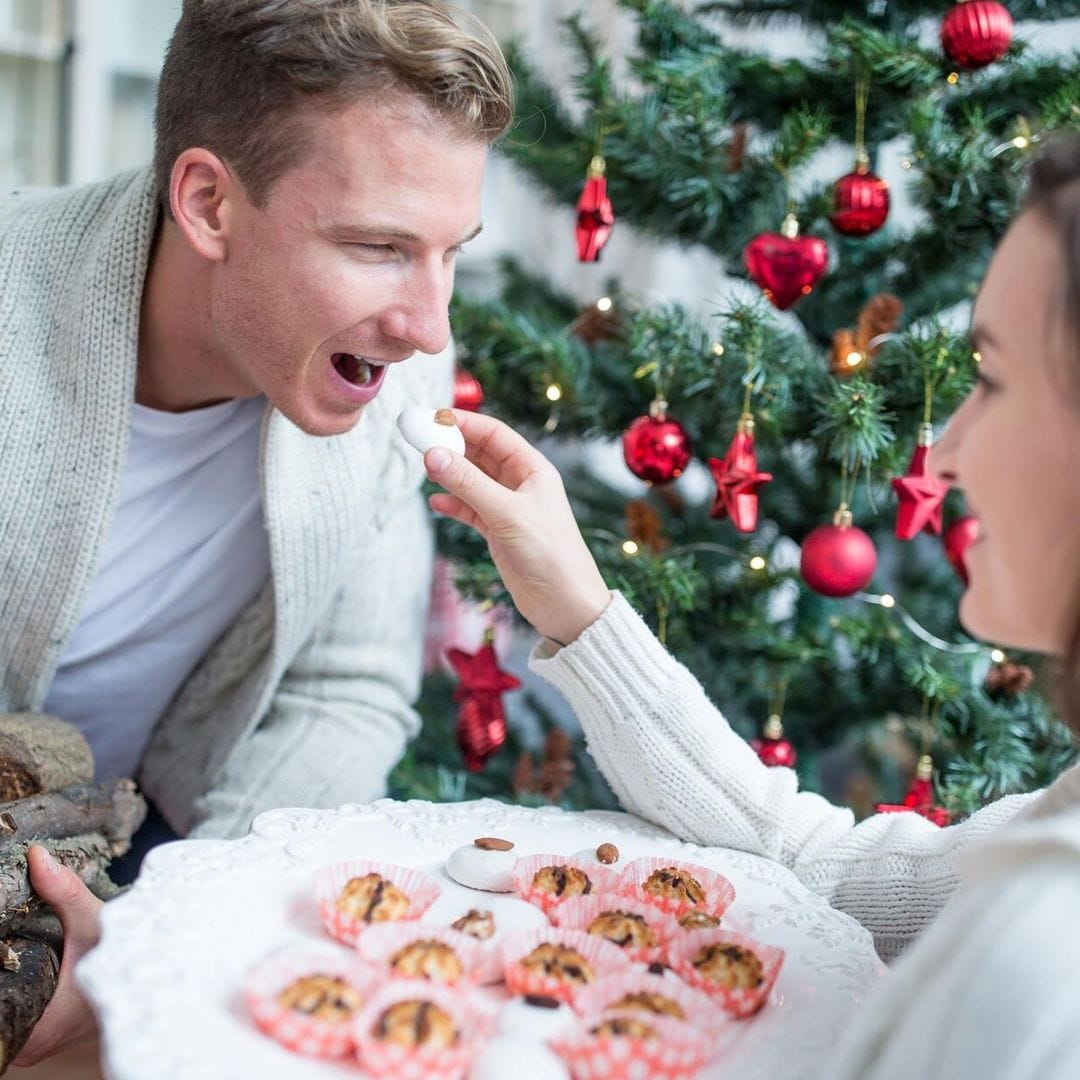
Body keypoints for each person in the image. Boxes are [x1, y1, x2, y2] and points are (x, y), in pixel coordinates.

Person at [424, 136, 1080, 1077]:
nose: (942, 456)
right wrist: (582, 609)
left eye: (998, 380)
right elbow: (832, 873)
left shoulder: (1043, 958)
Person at [2, 0, 512, 1065]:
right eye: (378, 247)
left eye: (450, 251)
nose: (431, 327)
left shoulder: (392, 372)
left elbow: (350, 687)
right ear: (207, 203)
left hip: (151, 899)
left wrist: (171, 932)